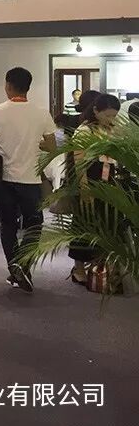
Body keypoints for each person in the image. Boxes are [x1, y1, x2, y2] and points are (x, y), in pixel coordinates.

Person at [0, 67, 57, 293]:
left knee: (8, 225)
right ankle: (22, 265)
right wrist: (34, 143)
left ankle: (15, 266)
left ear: (8, 85)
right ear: (28, 87)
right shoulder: (41, 113)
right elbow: (51, 146)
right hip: (31, 180)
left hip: (5, 179)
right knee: (34, 225)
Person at [67, 94, 121, 285]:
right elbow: (79, 163)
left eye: (114, 116)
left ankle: (100, 267)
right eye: (107, 115)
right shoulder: (84, 130)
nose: (111, 119)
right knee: (84, 224)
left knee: (106, 225)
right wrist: (84, 188)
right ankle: (79, 268)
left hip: (109, 181)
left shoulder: (111, 130)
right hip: (90, 179)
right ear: (96, 111)